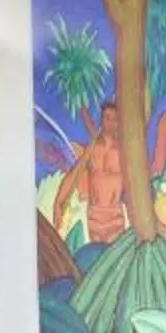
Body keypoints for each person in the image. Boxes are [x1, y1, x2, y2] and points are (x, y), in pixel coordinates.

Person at [51, 100, 130, 253]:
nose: (110, 123)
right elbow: (75, 173)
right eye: (107, 118)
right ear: (101, 120)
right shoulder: (92, 149)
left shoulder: (124, 151)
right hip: (94, 217)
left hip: (115, 217)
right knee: (95, 257)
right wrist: (59, 202)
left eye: (114, 119)